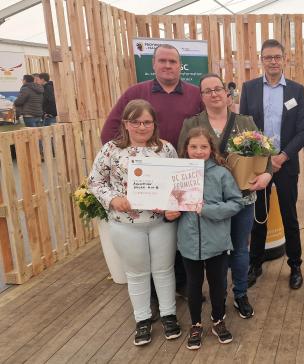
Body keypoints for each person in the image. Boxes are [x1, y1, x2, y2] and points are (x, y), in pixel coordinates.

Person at [100, 44, 202, 311]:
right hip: (144, 181)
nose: (168, 66)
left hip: (181, 173)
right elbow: (110, 128)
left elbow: (205, 129)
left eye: (173, 62)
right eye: (163, 61)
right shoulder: (136, 93)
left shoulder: (194, 94)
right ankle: (153, 298)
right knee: (149, 243)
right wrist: (127, 158)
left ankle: (180, 284)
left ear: (181, 66)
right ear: (154, 64)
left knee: (178, 232)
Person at [178, 73, 272, 319]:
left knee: (240, 249)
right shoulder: (192, 124)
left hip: (241, 198)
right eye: (207, 91)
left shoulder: (245, 122)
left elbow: (265, 155)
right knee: (214, 253)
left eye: (218, 89)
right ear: (201, 97)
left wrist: (266, 175)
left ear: (227, 94)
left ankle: (240, 294)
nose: (214, 94)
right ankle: (215, 299)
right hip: (204, 203)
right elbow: (181, 161)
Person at [88, 99, 181, 346]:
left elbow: (178, 184)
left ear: (154, 124)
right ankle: (143, 319)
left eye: (147, 122)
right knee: (137, 273)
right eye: (136, 122)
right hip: (125, 224)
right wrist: (113, 198)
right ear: (126, 124)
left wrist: (174, 206)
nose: (142, 127)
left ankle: (169, 314)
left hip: (161, 223)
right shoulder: (111, 150)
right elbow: (95, 182)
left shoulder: (166, 149)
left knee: (164, 270)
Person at [240, 39, 304, 289]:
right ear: (261, 59)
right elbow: (244, 129)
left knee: (290, 216)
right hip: (258, 165)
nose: (272, 61)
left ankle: (295, 266)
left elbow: (303, 131)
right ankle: (255, 264)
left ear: (284, 60)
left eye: (277, 57)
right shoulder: (249, 89)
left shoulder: (296, 90)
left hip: (286, 163)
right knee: (258, 216)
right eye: (268, 57)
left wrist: (282, 157)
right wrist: (263, 158)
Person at [166, 127, 245, 349]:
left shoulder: (221, 173)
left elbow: (236, 203)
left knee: (218, 284)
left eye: (203, 146)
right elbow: (170, 205)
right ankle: (196, 324)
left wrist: (207, 209)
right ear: (186, 149)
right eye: (193, 147)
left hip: (217, 243)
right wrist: (170, 213)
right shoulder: (178, 175)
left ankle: (218, 320)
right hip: (189, 243)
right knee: (193, 285)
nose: (198, 151)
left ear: (211, 148)